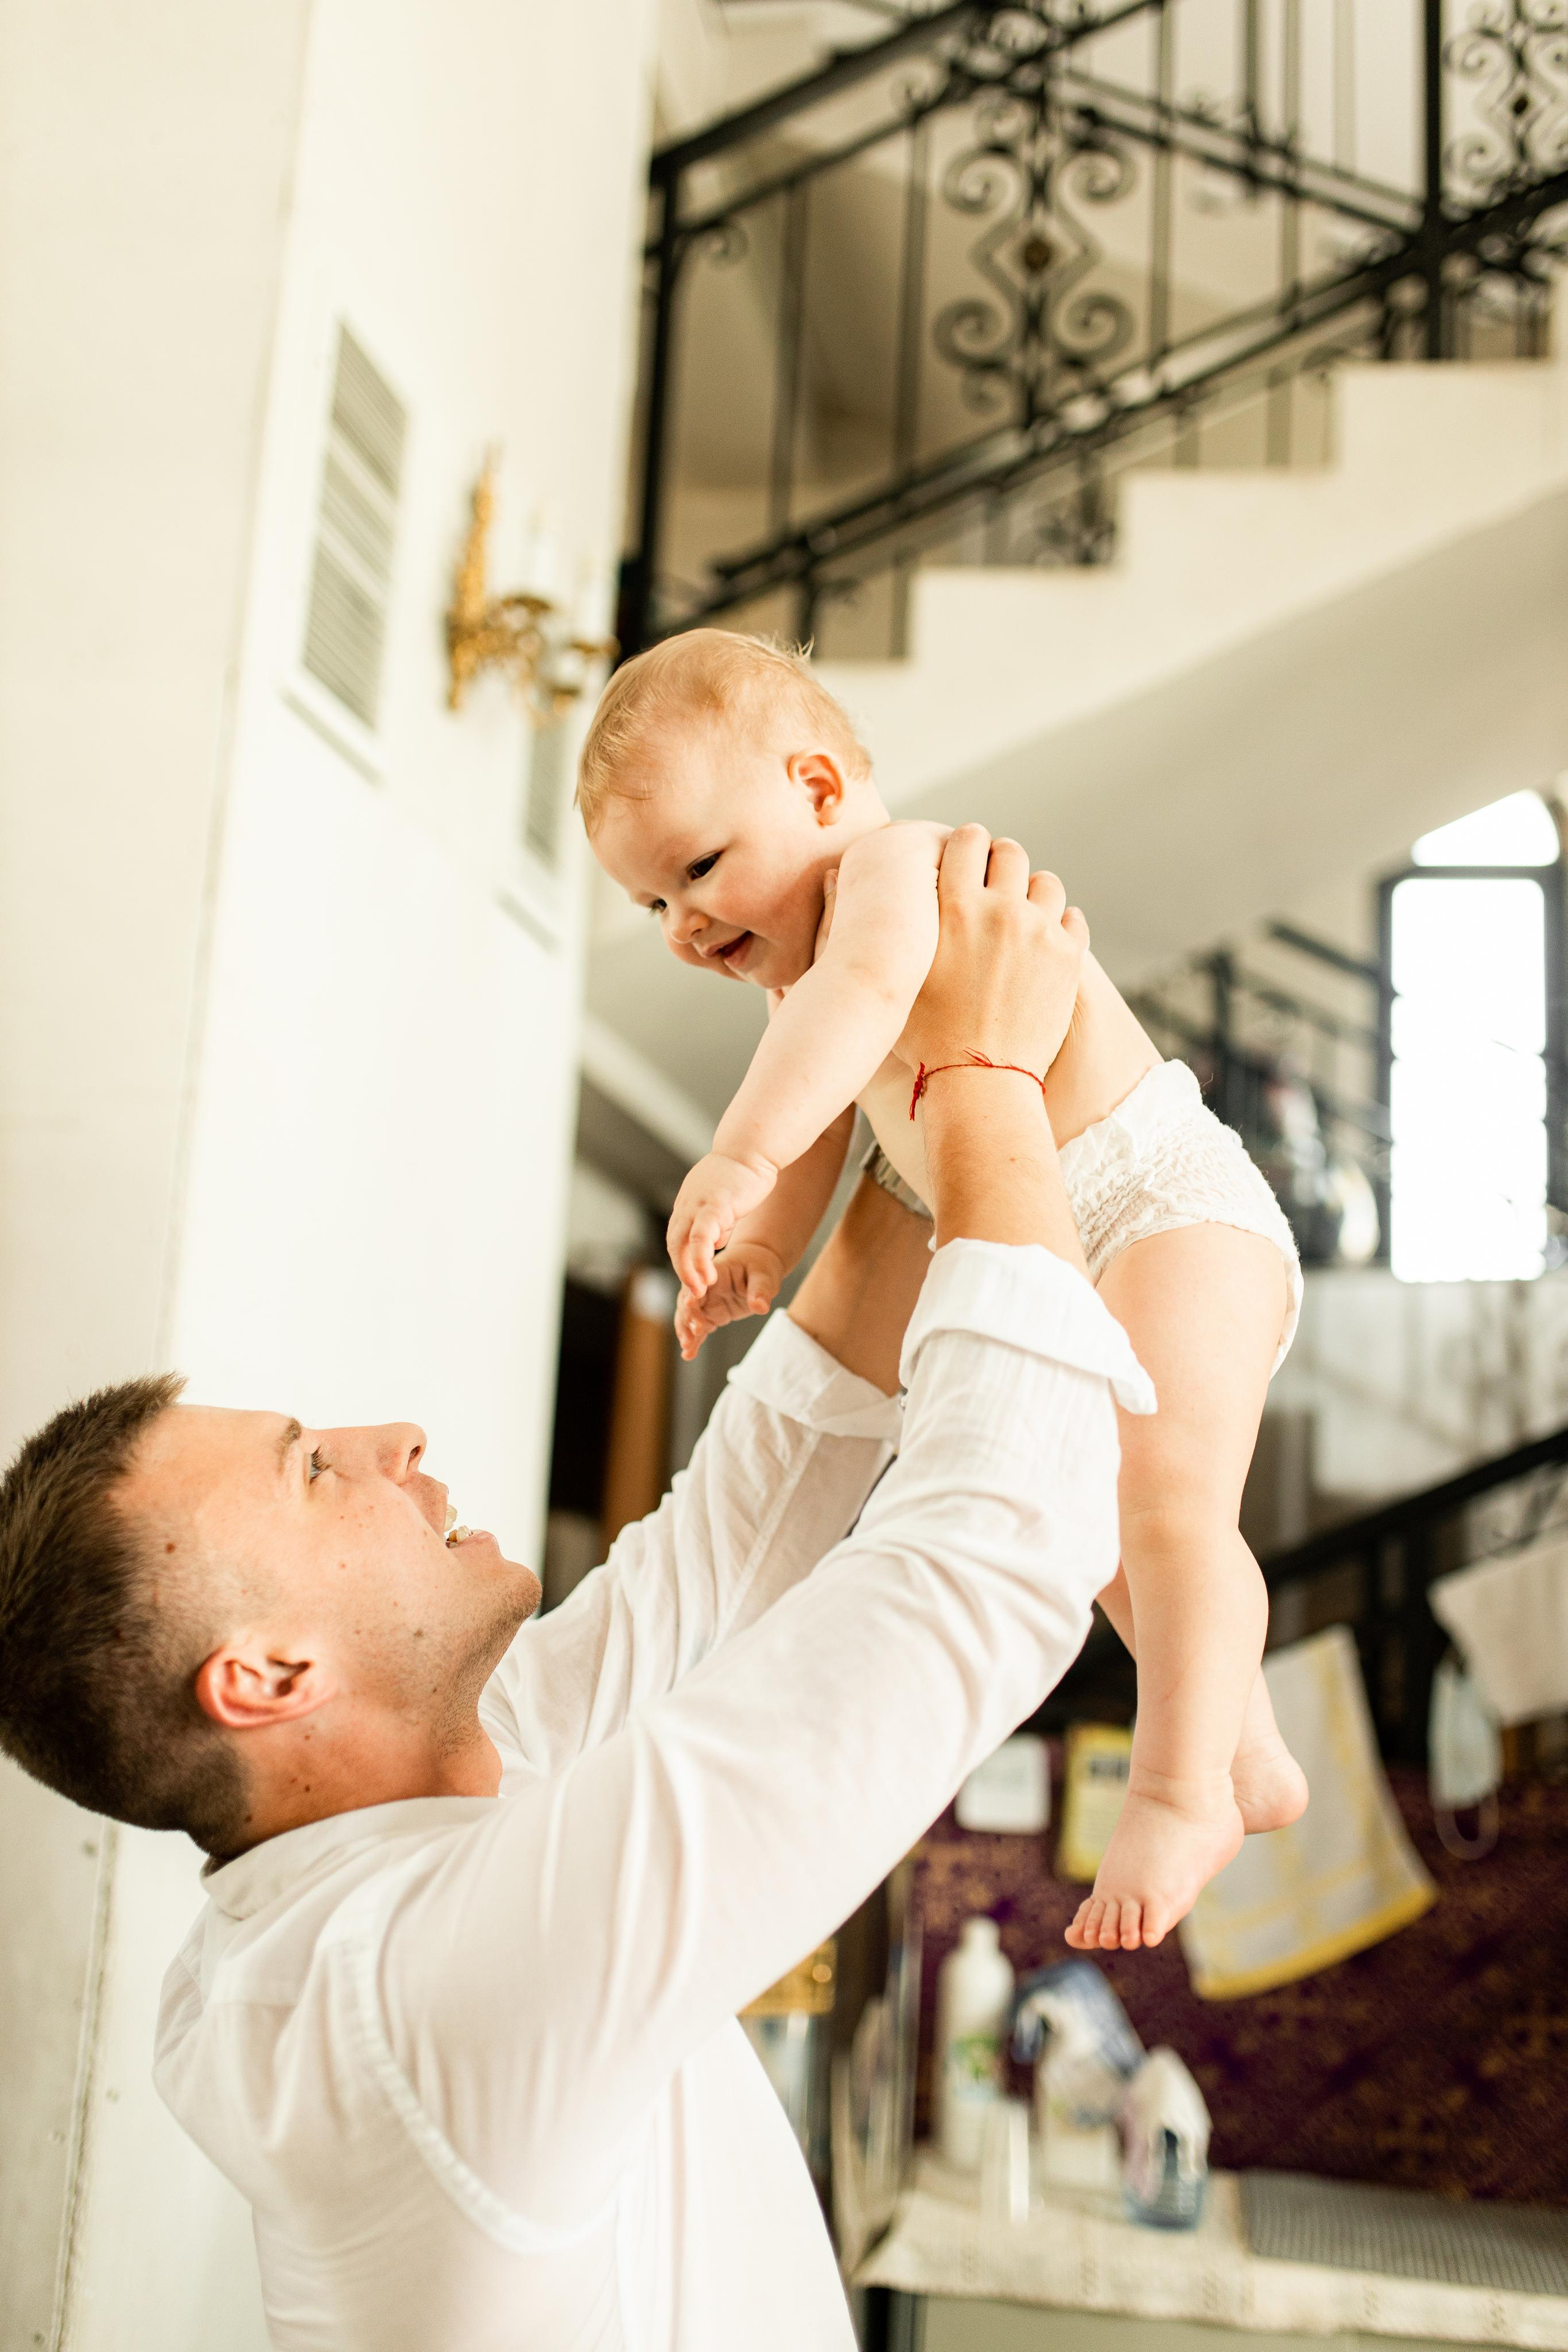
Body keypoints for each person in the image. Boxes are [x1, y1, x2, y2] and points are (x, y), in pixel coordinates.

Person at [0, 831, 1150, 2352]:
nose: (386, 1436)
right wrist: (987, 1080)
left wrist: (893, 1061)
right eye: (310, 1471)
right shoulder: (407, 1993)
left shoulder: (402, 1821)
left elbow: (741, 1532)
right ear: (268, 1678)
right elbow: (984, 1555)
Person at [579, 629, 1310, 1956]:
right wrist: (760, 1246)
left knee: (1166, 1510)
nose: (685, 924)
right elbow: (828, 1128)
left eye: (696, 868)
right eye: (652, 907)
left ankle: (1177, 1785)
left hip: (1165, 1206)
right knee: (1101, 1539)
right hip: (1070, 1236)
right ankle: (1244, 1744)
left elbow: (849, 1020)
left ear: (814, 789)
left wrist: (732, 1155)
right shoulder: (797, 978)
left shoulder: (896, 871)